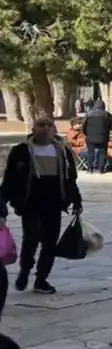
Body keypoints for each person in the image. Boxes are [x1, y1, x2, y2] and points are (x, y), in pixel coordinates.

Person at [1, 115, 83, 294]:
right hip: (31, 202)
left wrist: (76, 200)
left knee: (50, 242)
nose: (45, 128)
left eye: (49, 125)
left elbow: (71, 179)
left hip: (54, 202)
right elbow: (10, 178)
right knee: (30, 239)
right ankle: (24, 271)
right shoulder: (21, 151)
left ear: (54, 129)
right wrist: (3, 201)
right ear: (33, 128)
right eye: (40, 125)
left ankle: (41, 279)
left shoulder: (63, 151)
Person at [81, 101, 112, 173]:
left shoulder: (89, 114)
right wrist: (107, 129)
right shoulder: (106, 114)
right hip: (103, 136)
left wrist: (86, 133)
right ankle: (101, 168)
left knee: (90, 153)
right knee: (103, 153)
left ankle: (90, 168)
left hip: (90, 137)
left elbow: (83, 125)